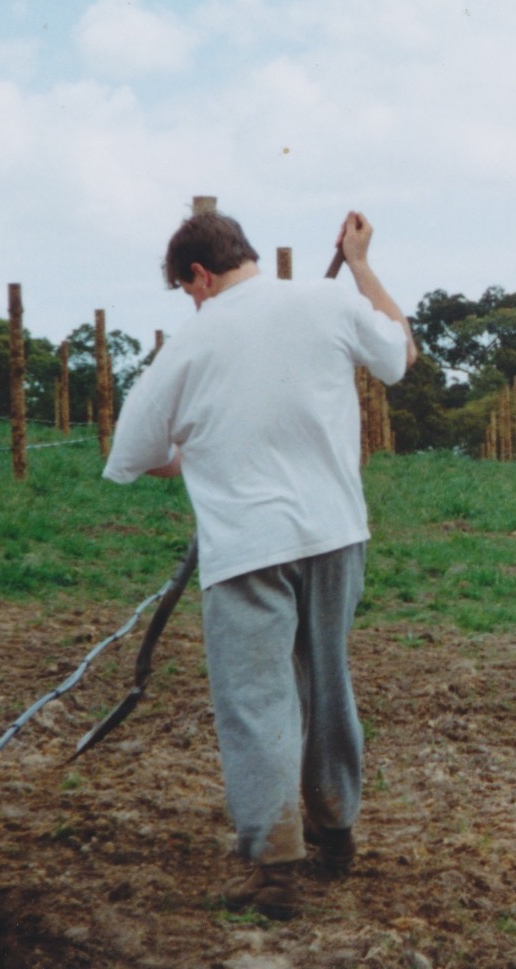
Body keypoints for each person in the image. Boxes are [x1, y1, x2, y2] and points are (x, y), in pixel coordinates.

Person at [105, 208, 416, 918]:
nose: (190, 301)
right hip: (336, 534)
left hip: (246, 547)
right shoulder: (328, 299)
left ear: (200, 274)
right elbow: (400, 355)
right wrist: (361, 265)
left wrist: (192, 456)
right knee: (328, 684)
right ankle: (335, 832)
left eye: (186, 289)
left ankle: (275, 871)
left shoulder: (190, 342)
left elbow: (136, 453)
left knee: (256, 701)